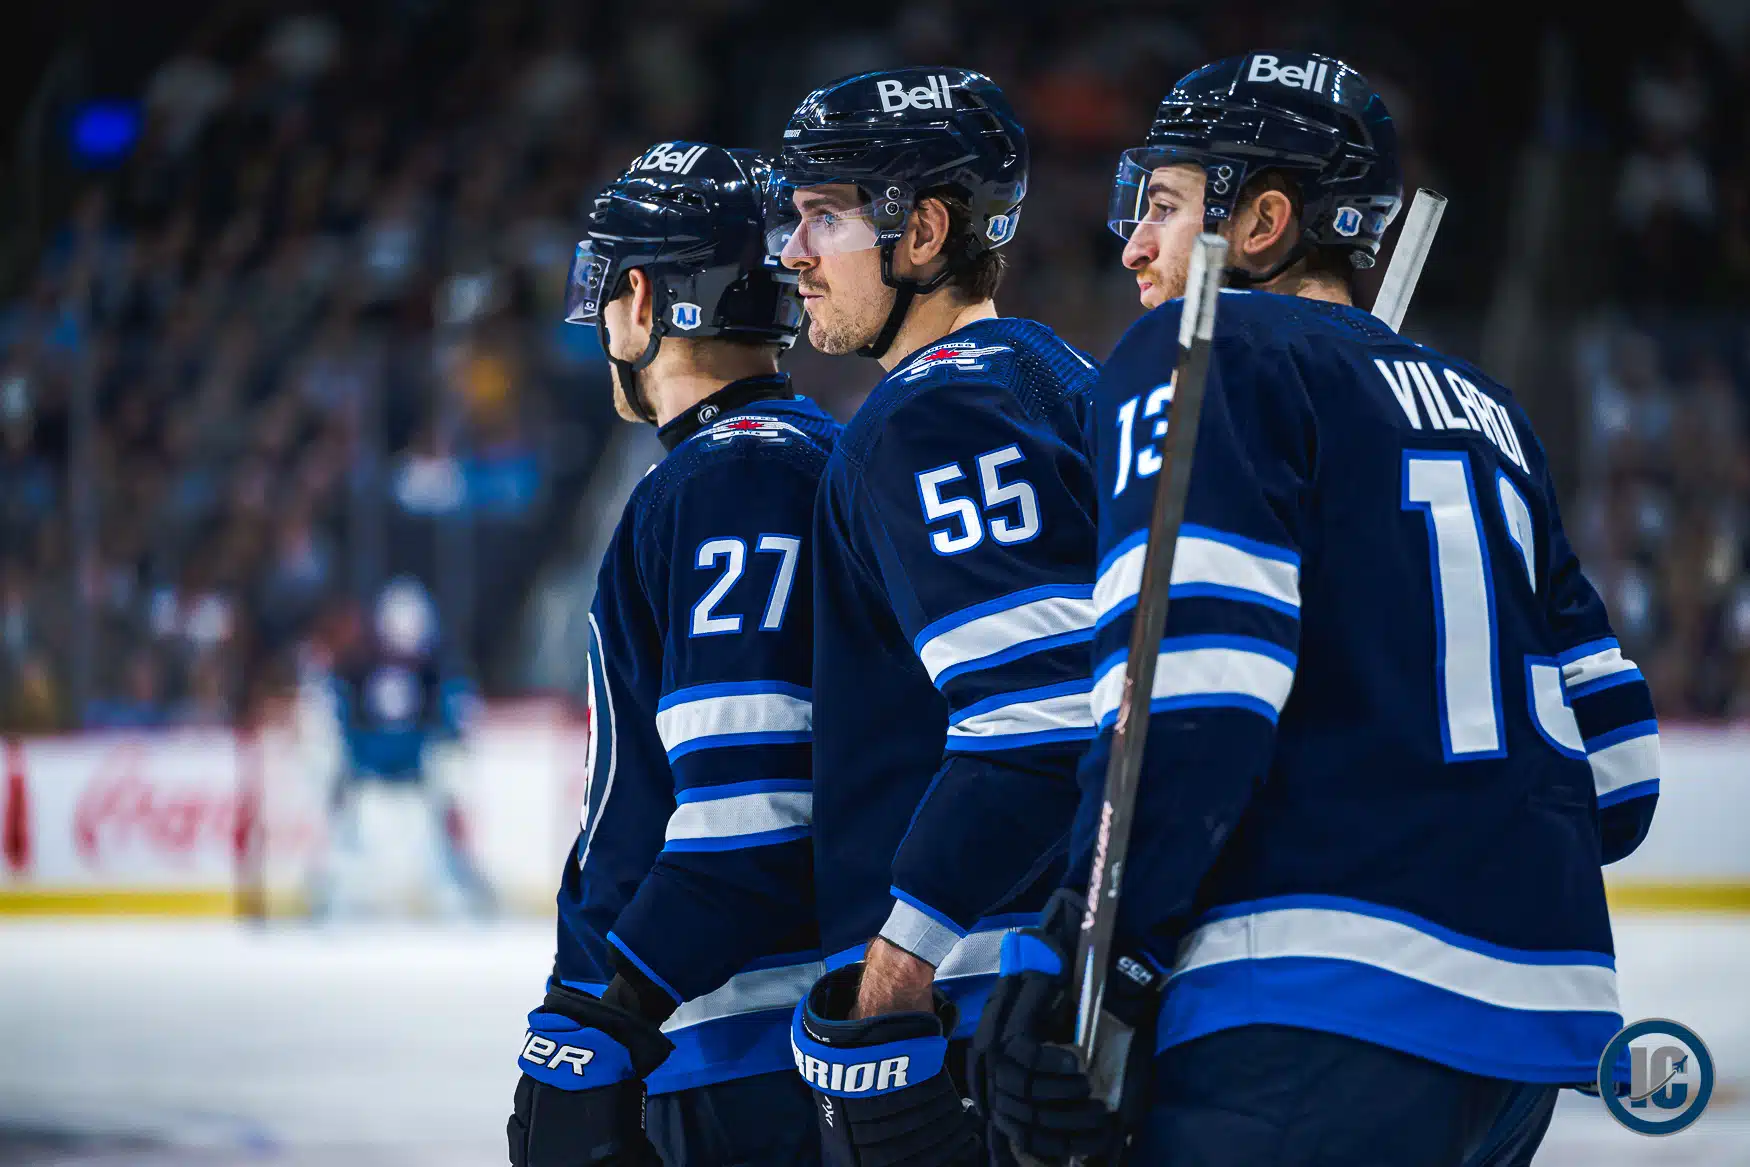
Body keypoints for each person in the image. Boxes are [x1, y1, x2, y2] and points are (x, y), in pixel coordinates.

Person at [970, 52, 1661, 1166]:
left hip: (1300, 1017)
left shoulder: (1205, 347)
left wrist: (1093, 946)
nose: (1134, 244)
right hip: (1525, 1045)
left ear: (1262, 221)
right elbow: (1622, 778)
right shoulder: (1489, 411)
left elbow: (1190, 688)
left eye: (1163, 205)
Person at [767, 69, 1100, 1165]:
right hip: (1048, 977)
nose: (793, 253)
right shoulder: (1059, 374)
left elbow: (1041, 720)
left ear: (922, 231)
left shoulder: (935, 413)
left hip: (977, 1002)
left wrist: (897, 964)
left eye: (825, 217)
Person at [507, 142, 838, 1167]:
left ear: (642, 296)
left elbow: (745, 819)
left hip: (733, 1044)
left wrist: (602, 1018)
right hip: (749, 1031)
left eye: (604, 288)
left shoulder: (726, 482)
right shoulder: (809, 456)